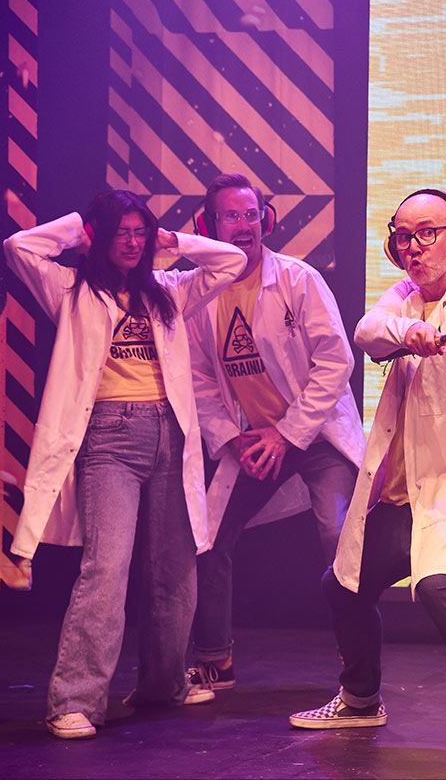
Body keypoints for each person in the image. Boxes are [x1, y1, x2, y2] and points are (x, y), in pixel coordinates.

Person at [288, 190, 446, 780]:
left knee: (441, 587)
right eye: (403, 236)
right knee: (345, 583)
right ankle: (360, 702)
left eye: (428, 233)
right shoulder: (402, 298)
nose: (414, 246)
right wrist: (408, 332)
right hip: (411, 490)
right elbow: (368, 330)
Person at [4, 191, 247, 739]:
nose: (134, 243)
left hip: (169, 433)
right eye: (122, 232)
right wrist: (76, 229)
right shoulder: (70, 288)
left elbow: (229, 261)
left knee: (175, 572)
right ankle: (75, 700)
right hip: (110, 438)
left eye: (142, 233)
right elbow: (19, 245)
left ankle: (163, 685)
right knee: (106, 569)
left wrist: (175, 242)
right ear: (100, 236)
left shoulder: (169, 290)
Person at [185, 173, 364, 691]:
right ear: (208, 224)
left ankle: (357, 664)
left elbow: (336, 362)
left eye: (250, 215)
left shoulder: (299, 279)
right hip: (254, 439)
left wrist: (287, 435)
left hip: (316, 433)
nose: (243, 226)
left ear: (265, 219)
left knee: (337, 534)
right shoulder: (200, 292)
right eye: (230, 216)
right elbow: (198, 378)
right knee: (209, 535)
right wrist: (232, 436)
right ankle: (214, 657)